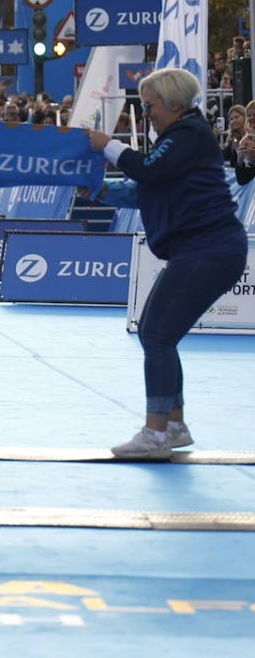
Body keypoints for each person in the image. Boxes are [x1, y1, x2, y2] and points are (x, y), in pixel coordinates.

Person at [86, 67, 247, 459]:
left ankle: (156, 433)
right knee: (159, 335)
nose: (147, 113)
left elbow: (148, 171)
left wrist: (107, 145)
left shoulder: (188, 134)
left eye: (149, 105)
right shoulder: (181, 136)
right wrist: (96, 187)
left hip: (208, 249)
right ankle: (173, 425)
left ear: (174, 103)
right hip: (207, 250)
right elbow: (144, 190)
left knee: (156, 335)